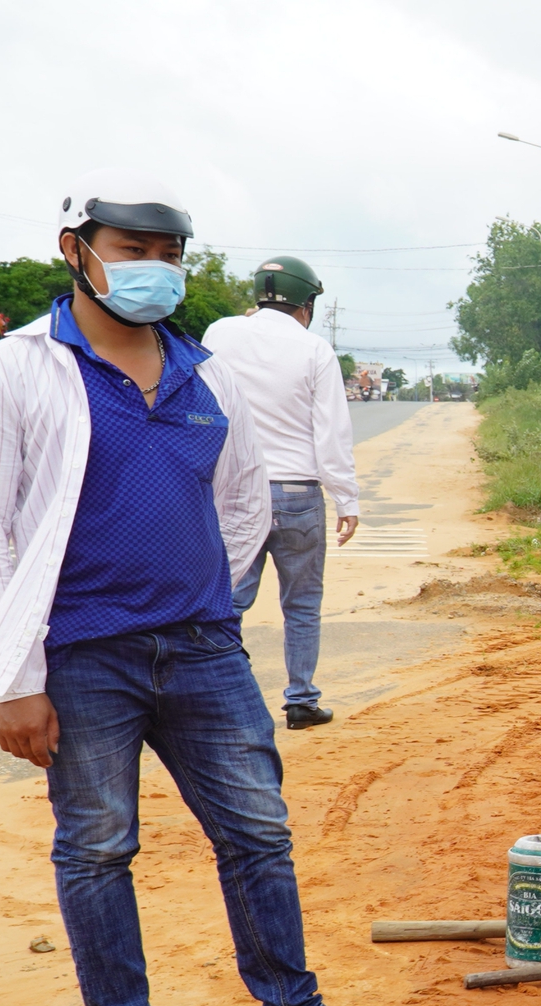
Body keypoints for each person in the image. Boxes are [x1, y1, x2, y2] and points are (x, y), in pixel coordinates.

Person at [0, 169, 406, 1006]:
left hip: (201, 648)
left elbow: (240, 499)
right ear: (78, 252)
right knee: (98, 846)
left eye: (169, 255)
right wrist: (13, 678)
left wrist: (212, 605)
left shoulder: (209, 372)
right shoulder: (14, 372)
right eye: (132, 251)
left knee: (257, 831)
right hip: (81, 656)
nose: (155, 269)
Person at [203, 256, 358, 729]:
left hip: (235, 492)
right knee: (302, 604)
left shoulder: (219, 334)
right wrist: (346, 498)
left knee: (226, 601)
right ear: (306, 304)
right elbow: (331, 432)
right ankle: (301, 702)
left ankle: (222, 697)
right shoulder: (314, 350)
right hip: (298, 494)